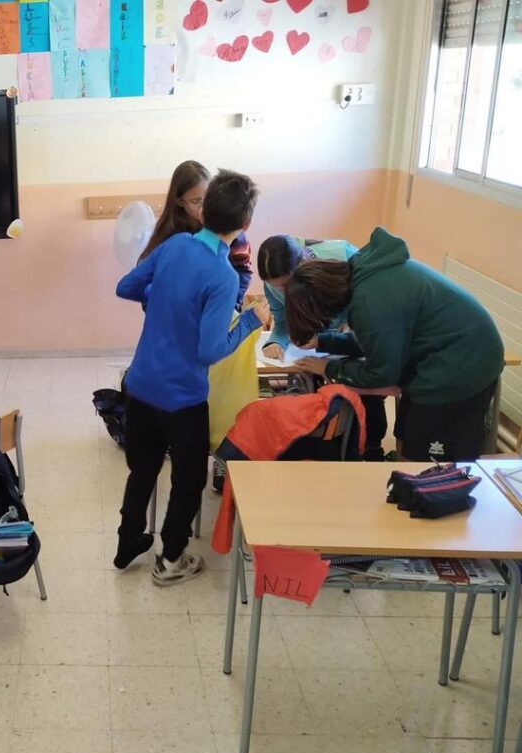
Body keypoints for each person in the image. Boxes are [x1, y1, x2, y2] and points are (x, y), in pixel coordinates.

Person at [115, 171, 270, 585]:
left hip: (141, 385)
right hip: (182, 399)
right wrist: (251, 320)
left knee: (142, 470)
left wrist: (162, 299)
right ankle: (170, 559)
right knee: (188, 481)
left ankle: (128, 541)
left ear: (204, 211)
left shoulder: (174, 245)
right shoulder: (222, 275)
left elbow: (126, 287)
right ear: (246, 223)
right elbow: (210, 351)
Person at [284, 227, 504, 462]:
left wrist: (329, 368)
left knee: (425, 462)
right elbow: (377, 342)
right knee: (405, 439)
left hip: (462, 364)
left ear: (323, 301)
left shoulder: (369, 302)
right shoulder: (362, 275)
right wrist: (323, 341)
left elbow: (381, 373)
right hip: (443, 354)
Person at [257, 235, 388, 461]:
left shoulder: (344, 256)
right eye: (273, 285)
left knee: (365, 391)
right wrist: (275, 341)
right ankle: (332, 444)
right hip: (323, 342)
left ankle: (371, 449)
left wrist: (350, 323)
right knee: (318, 387)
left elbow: (370, 304)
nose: (281, 290)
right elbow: (282, 322)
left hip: (358, 333)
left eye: (285, 284)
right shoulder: (274, 285)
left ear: (302, 267)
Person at [139, 160, 253, 311]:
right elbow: (146, 284)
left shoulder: (226, 221)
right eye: (196, 201)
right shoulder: (169, 238)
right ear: (180, 202)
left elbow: (243, 270)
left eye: (207, 198)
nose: (203, 206)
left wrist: (230, 304)